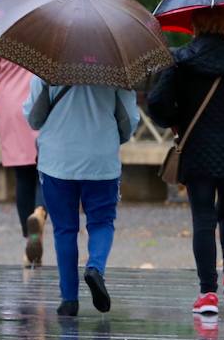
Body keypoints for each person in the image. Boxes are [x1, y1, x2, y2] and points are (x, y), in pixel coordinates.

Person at [148, 7, 224, 315]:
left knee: (203, 219)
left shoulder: (178, 60)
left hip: (198, 150)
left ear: (193, 25)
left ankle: (207, 294)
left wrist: (177, 119)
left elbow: (157, 103)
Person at [24, 76, 139, 316]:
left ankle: (69, 300)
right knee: (101, 222)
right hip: (101, 159)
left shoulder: (47, 66)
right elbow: (129, 120)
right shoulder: (117, 69)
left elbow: (34, 118)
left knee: (64, 229)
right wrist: (111, 137)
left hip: (57, 160)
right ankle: (95, 268)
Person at [0, 53, 46, 265]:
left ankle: (30, 243)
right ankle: (40, 212)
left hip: (11, 103)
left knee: (23, 176)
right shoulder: (41, 29)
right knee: (46, 171)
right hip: (41, 98)